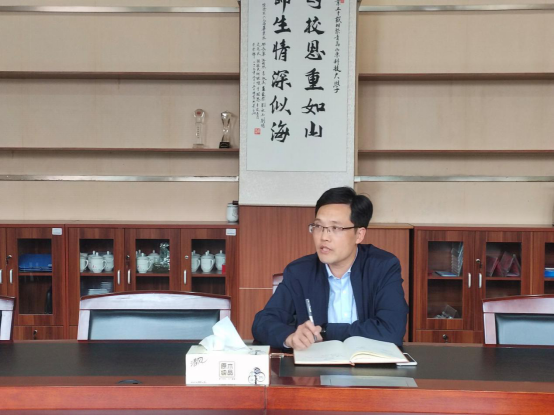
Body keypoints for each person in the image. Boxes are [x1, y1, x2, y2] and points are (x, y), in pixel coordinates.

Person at [252, 187, 408, 350]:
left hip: (369, 363)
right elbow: (263, 323)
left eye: (335, 228)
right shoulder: (299, 272)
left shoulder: (382, 267)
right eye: (318, 226)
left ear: (359, 235)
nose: (324, 237)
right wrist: (290, 337)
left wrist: (326, 331)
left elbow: (392, 330)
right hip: (316, 364)